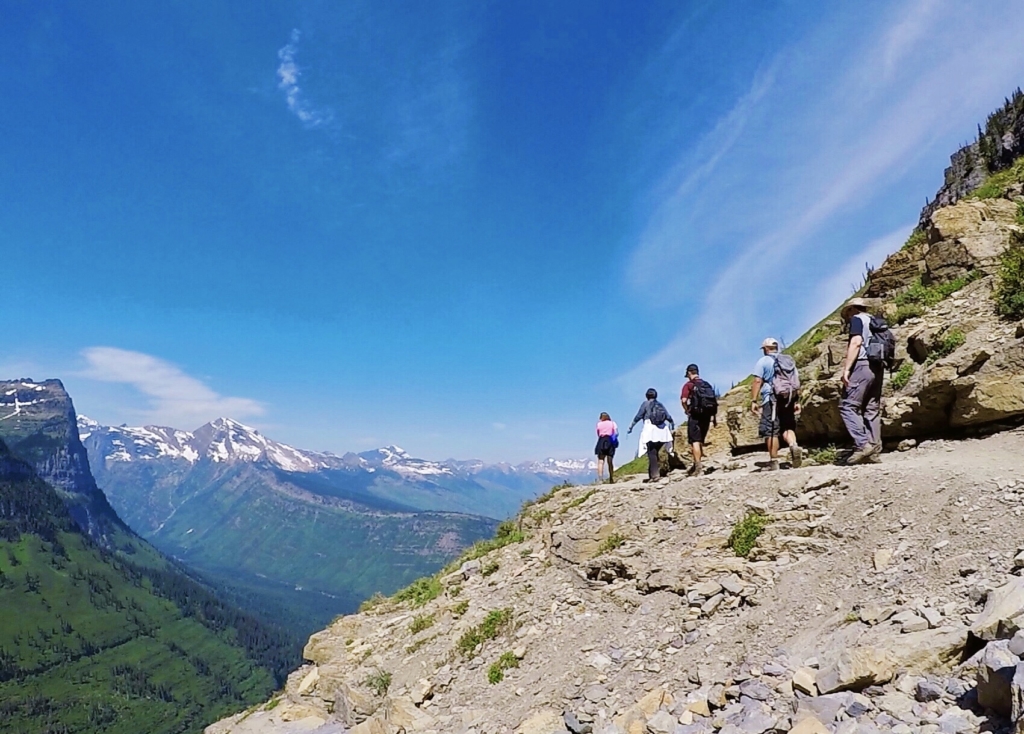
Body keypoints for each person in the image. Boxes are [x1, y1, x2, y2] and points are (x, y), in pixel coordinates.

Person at [839, 297, 883, 464]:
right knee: (872, 408)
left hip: (862, 365)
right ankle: (874, 451)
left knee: (847, 405)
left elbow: (856, 342)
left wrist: (847, 369)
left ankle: (863, 444)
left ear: (852, 309)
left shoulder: (857, 319)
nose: (847, 317)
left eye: (847, 313)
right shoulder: (875, 320)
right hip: (878, 367)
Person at [750, 338, 803, 471]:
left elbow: (757, 381)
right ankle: (793, 444)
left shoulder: (764, 361)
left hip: (771, 398)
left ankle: (773, 462)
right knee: (787, 426)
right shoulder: (788, 361)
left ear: (766, 349)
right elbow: (796, 381)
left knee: (771, 429)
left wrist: (754, 400)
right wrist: (797, 401)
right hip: (788, 397)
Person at [627, 388, 675, 483]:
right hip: (662, 431)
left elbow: (638, 416)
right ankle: (652, 474)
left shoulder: (645, 404)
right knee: (655, 452)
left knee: (651, 453)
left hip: (650, 430)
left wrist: (631, 427)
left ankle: (655, 475)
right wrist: (672, 425)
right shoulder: (660, 404)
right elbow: (668, 416)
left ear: (647, 396)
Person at [680, 364, 717, 477]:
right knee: (700, 439)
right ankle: (698, 463)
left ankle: (698, 466)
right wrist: (714, 418)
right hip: (707, 415)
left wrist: (686, 410)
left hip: (695, 415)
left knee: (695, 441)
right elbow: (714, 401)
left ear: (689, 373)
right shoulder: (706, 384)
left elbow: (684, 400)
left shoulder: (688, 385)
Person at [594, 412, 618, 483]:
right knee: (610, 461)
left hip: (601, 440)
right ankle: (611, 477)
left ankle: (600, 479)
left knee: (600, 461)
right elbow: (616, 433)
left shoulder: (599, 424)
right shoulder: (613, 423)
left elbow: (598, 433)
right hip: (610, 440)